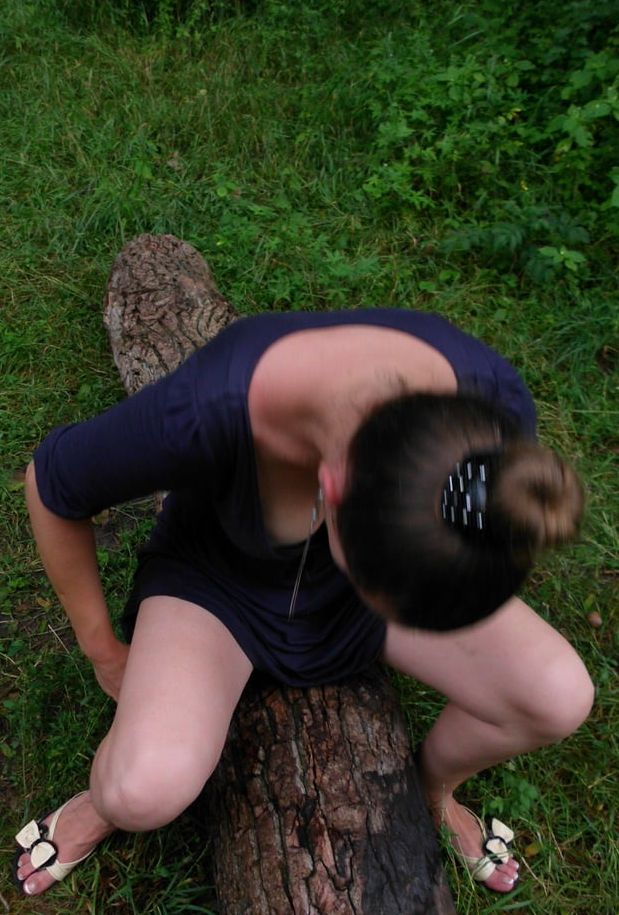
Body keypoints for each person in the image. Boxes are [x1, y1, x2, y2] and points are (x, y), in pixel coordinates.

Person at [14, 306, 593, 898]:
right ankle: (102, 805)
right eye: (390, 595)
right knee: (139, 789)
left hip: (355, 600)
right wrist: (104, 651)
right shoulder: (209, 407)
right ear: (331, 487)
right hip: (219, 591)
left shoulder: (489, 409)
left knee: (558, 695)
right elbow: (51, 486)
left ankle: (433, 789)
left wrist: (389, 596)